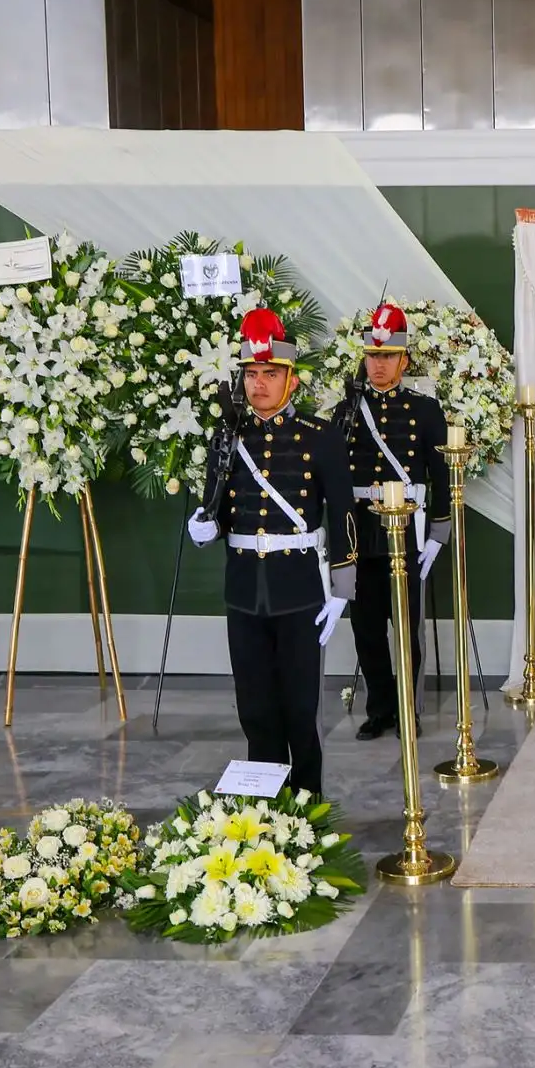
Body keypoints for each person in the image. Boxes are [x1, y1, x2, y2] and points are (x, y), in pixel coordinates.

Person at [187, 308, 356, 797]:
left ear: (291, 379)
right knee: (255, 710)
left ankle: (307, 812)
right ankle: (266, 812)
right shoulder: (226, 438)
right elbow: (217, 507)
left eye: (270, 374)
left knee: (301, 711)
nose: (259, 384)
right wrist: (206, 528)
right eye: (252, 374)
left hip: (300, 589)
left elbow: (344, 514)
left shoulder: (319, 438)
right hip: (243, 590)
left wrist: (342, 590)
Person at [339, 303, 452, 742]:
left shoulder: (424, 411)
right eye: (372, 356)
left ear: (403, 360)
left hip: (406, 527)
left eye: (387, 357)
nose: (378, 364)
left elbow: (440, 474)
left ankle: (409, 708)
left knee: (406, 627)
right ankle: (379, 708)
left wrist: (439, 530)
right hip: (362, 529)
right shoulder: (347, 410)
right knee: (365, 628)